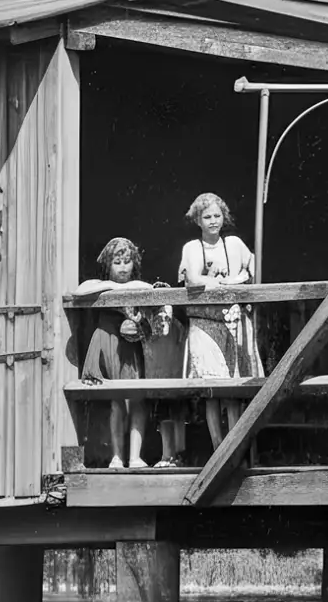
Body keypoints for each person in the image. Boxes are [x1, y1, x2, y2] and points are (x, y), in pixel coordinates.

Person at [179, 193, 265, 452]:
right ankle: (219, 449)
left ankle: (235, 447)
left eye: (217, 215)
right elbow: (193, 279)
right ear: (198, 220)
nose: (213, 221)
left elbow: (253, 267)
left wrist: (238, 279)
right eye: (207, 217)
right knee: (212, 390)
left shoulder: (234, 244)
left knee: (234, 389)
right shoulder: (192, 248)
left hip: (232, 322)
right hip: (204, 323)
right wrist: (214, 281)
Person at [75, 238, 160, 469]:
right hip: (108, 342)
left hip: (131, 347)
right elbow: (80, 290)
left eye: (127, 261)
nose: (123, 267)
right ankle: (116, 456)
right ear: (107, 264)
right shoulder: (100, 286)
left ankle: (135, 457)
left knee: (137, 400)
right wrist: (114, 288)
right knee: (116, 401)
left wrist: (138, 326)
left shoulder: (139, 286)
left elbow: (149, 296)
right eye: (117, 262)